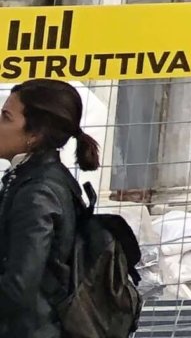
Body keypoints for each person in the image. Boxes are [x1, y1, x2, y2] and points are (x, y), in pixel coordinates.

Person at [0, 78, 102, 338]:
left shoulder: (38, 192)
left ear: (34, 135)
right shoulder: (31, 177)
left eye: (6, 118)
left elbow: (18, 288)